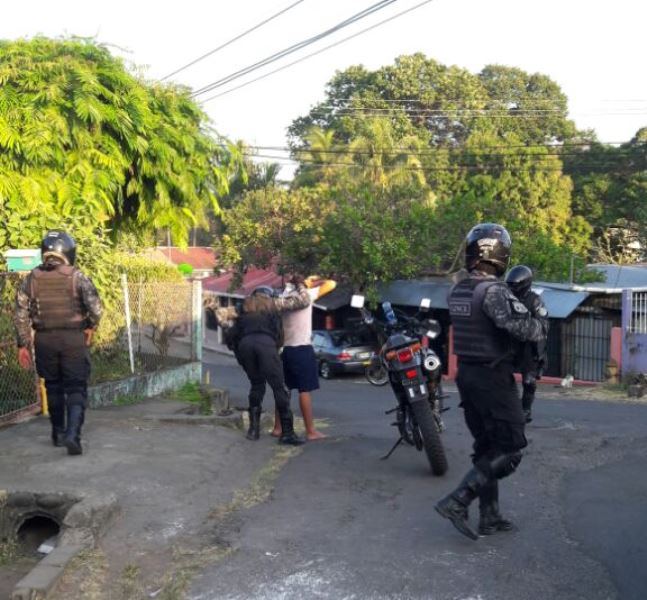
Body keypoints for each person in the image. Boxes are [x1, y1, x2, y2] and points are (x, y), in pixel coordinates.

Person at [434, 223, 547, 540]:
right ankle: (459, 500)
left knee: (486, 446)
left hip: (467, 376)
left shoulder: (458, 289)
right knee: (511, 447)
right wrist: (540, 320)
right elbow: (523, 329)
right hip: (492, 377)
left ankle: (490, 516)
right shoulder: (494, 291)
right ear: (501, 255)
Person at [14, 230, 102, 456]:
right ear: (68, 252)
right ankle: (73, 435)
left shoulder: (31, 278)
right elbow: (96, 309)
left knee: (52, 386)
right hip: (73, 340)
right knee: (76, 387)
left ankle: (58, 434)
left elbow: (20, 313)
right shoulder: (77, 276)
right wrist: (90, 327)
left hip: (44, 341)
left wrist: (23, 345)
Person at [220, 281, 311, 444]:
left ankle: (253, 430)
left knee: (257, 385)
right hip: (266, 344)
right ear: (269, 295)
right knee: (279, 388)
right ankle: (287, 433)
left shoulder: (243, 308)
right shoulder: (274, 305)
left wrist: (238, 351)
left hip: (246, 346)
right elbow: (280, 334)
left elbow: (229, 329)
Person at [271, 275, 336, 441]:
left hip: (285, 349)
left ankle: (278, 428)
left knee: (285, 390)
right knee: (304, 390)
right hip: (302, 348)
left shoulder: (284, 297)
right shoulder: (306, 295)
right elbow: (331, 283)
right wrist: (312, 281)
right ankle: (310, 431)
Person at [505, 265, 549, 423]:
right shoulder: (504, 298)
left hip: (528, 346)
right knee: (499, 377)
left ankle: (526, 409)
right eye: (510, 284)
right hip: (508, 342)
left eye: (515, 285)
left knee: (529, 381)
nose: (512, 288)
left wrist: (528, 328)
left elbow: (544, 325)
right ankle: (505, 407)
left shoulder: (534, 300)